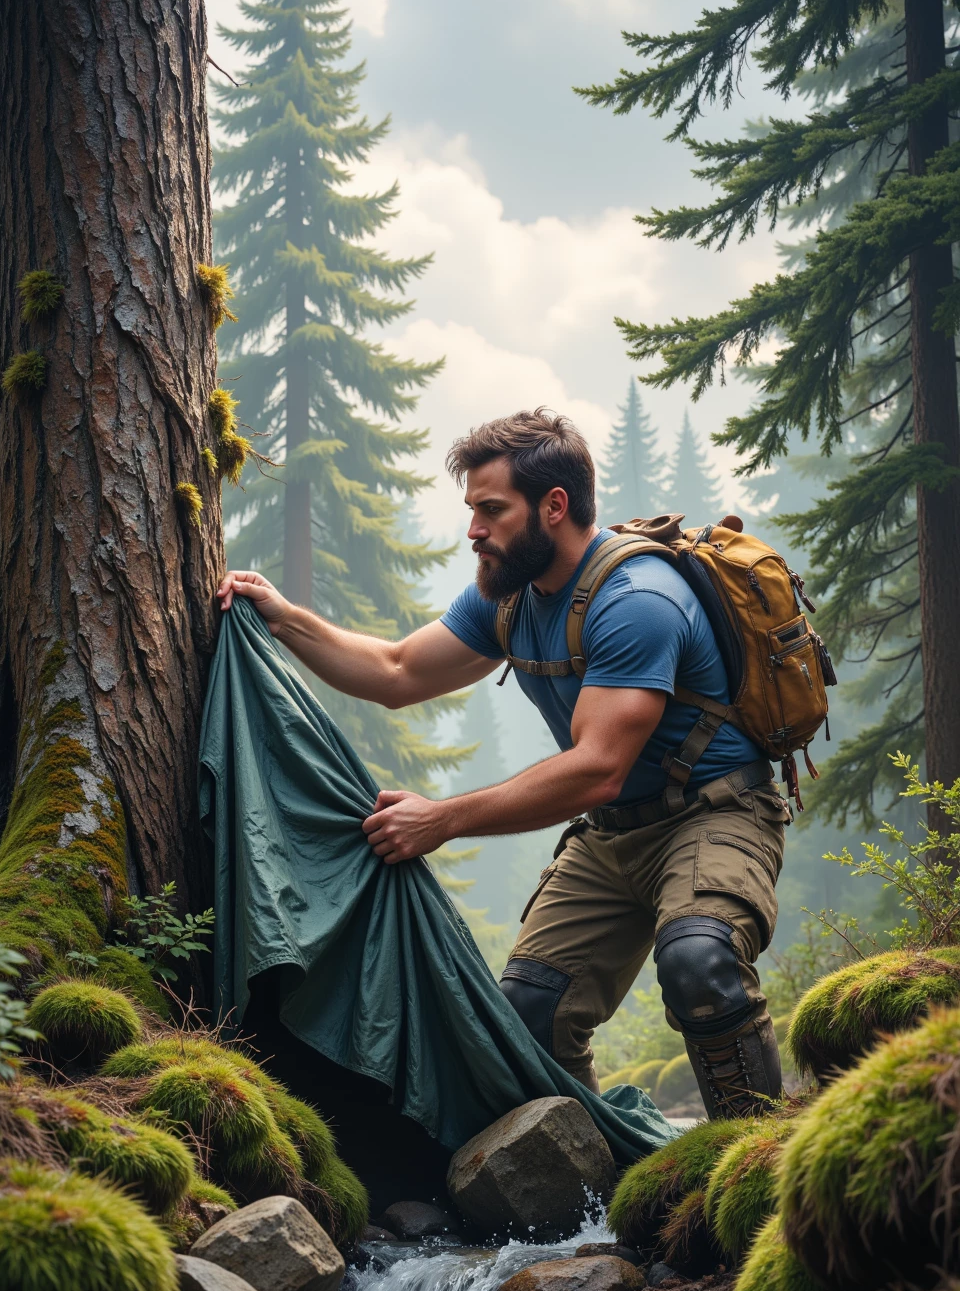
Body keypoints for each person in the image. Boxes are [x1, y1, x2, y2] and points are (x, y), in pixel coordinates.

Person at [216, 408, 789, 1117]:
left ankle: (758, 1168)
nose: (474, 531)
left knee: (699, 963)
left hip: (715, 814)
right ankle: (590, 1194)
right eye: (471, 511)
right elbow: (397, 672)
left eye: (491, 510)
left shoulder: (637, 602)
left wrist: (443, 819)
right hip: (613, 834)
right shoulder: (510, 596)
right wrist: (279, 614)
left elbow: (596, 768)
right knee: (526, 1016)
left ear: (554, 507)